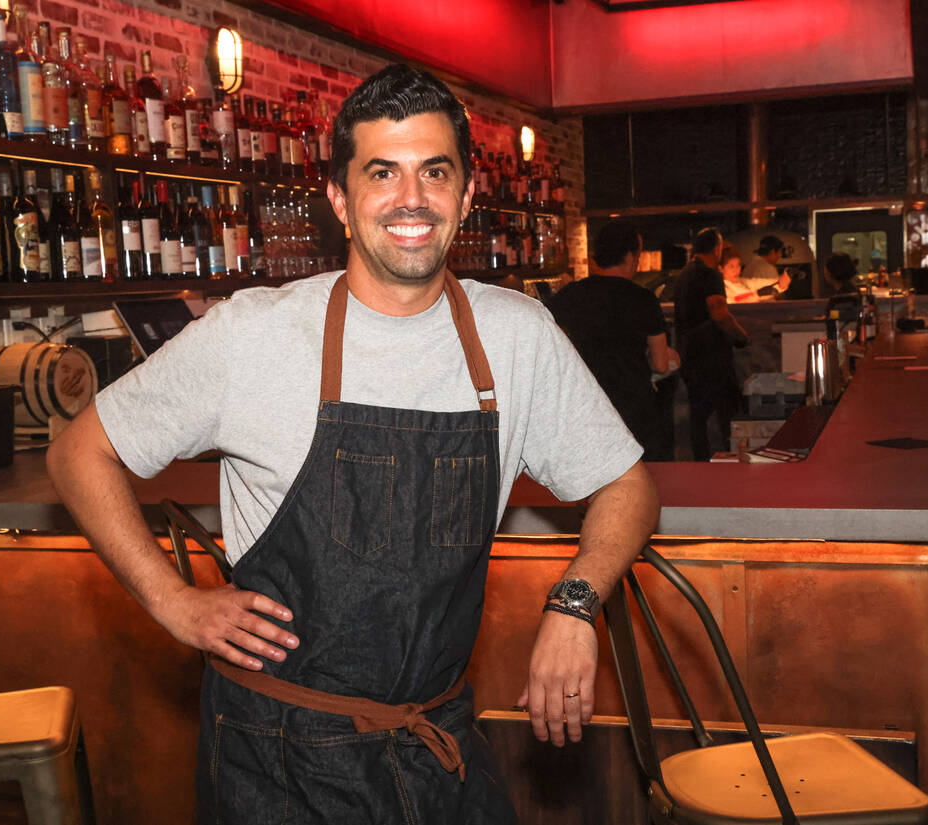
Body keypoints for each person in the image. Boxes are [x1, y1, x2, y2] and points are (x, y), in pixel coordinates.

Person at [46, 63, 659, 824]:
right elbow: (79, 452)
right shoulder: (256, 333)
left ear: (467, 194)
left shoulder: (518, 336)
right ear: (340, 199)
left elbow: (628, 484)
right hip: (275, 762)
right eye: (382, 173)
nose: (412, 199)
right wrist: (173, 602)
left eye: (435, 172)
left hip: (434, 744)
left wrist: (575, 603)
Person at [549, 221, 678, 461]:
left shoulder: (572, 294)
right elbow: (661, 364)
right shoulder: (643, 299)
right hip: (634, 408)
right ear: (629, 256)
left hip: (587, 406)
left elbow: (552, 345)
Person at [673, 228, 750, 461]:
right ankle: (732, 459)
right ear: (717, 249)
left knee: (698, 415)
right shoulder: (710, 275)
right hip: (713, 356)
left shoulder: (683, 275)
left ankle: (701, 463)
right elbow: (719, 313)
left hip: (689, 354)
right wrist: (741, 336)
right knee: (729, 411)